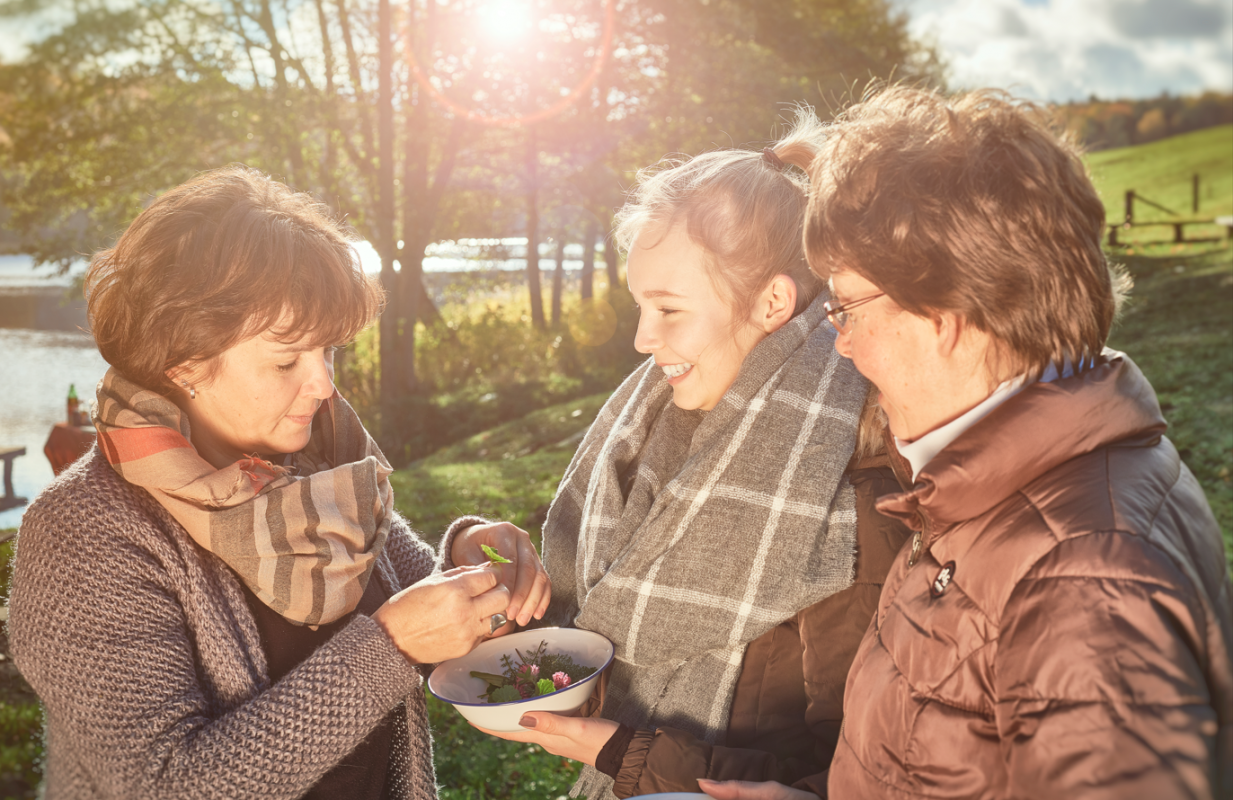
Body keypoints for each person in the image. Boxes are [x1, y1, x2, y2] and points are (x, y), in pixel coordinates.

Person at [706, 86, 1233, 800]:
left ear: (944, 312)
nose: (840, 342)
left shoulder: (1084, 579)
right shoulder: (992, 497)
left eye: (847, 305)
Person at [7, 165, 550, 799]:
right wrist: (389, 650)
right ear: (185, 362)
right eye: (287, 359)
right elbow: (165, 786)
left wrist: (470, 562)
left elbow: (422, 603)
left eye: (328, 351)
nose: (322, 387)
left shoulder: (318, 466)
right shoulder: (83, 536)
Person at [475, 116, 913, 799]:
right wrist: (485, 568)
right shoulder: (649, 444)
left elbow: (858, 781)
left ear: (772, 301)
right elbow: (598, 625)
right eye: (638, 306)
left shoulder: (854, 511)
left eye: (669, 310)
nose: (643, 340)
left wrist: (630, 755)